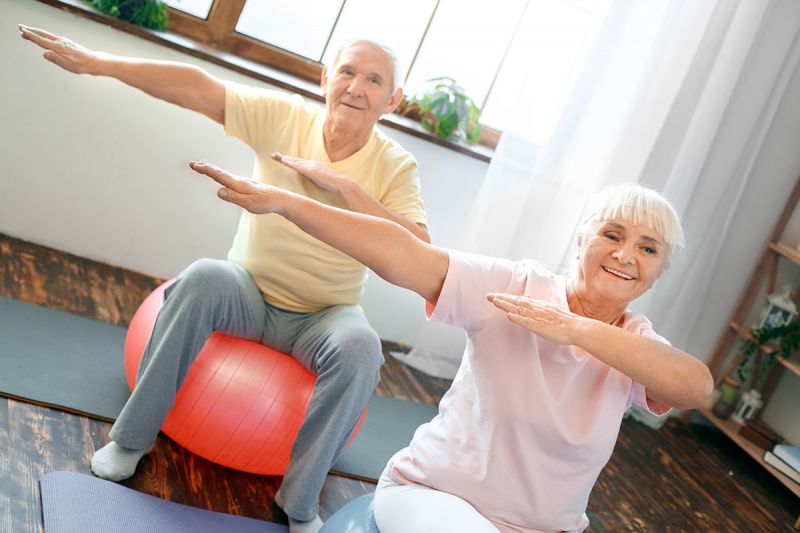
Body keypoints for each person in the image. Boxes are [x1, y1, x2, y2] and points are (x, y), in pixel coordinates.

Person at [19, 25, 430, 533]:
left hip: (324, 317)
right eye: (346, 71)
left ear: (393, 99)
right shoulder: (284, 118)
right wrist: (100, 62)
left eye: (373, 80)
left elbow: (418, 244)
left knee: (363, 348)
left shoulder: (395, 165)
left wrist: (343, 187)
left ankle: (298, 502)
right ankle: (129, 441)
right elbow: (196, 86)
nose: (355, 87)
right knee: (201, 277)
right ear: (326, 77)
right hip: (248, 292)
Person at [188, 160, 714, 533]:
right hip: (434, 498)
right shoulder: (517, 288)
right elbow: (406, 256)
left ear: (659, 270)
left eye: (648, 248)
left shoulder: (637, 344)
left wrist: (577, 330)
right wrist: (286, 203)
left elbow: (696, 386)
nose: (625, 255)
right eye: (612, 234)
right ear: (582, 241)